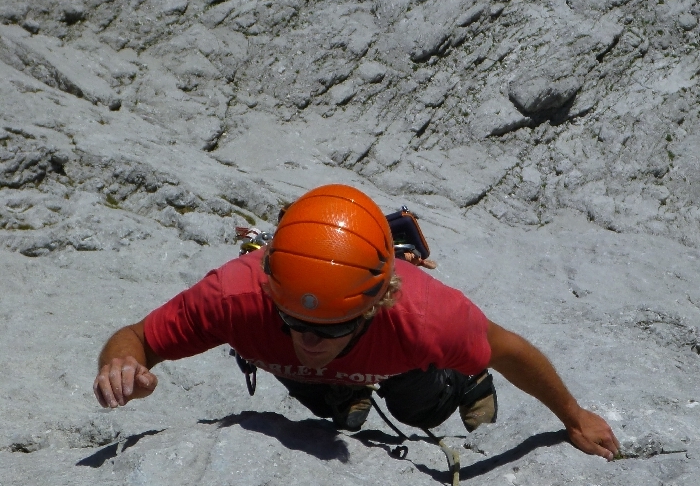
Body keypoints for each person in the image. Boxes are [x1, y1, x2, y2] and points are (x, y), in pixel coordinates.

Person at [92, 184, 620, 460]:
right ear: (269, 290)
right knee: (328, 402)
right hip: (333, 371)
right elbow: (137, 338)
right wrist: (123, 366)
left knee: (422, 411)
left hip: (405, 360)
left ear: (379, 301)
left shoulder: (425, 317)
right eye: (290, 321)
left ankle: (461, 378)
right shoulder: (236, 296)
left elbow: (507, 350)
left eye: (331, 329)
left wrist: (573, 418)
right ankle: (346, 394)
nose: (306, 341)